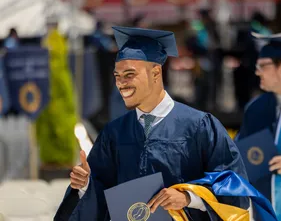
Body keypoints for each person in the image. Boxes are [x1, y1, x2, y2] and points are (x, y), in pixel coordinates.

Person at [55, 27, 276, 221]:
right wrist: (84, 185)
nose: (121, 83)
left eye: (129, 74)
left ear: (155, 72)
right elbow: (101, 199)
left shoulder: (199, 126)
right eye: (117, 75)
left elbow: (233, 186)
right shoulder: (114, 133)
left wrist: (189, 197)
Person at [236, 33, 281, 220]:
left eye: (263, 66)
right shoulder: (256, 107)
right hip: (263, 208)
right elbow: (240, 151)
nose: (257, 72)